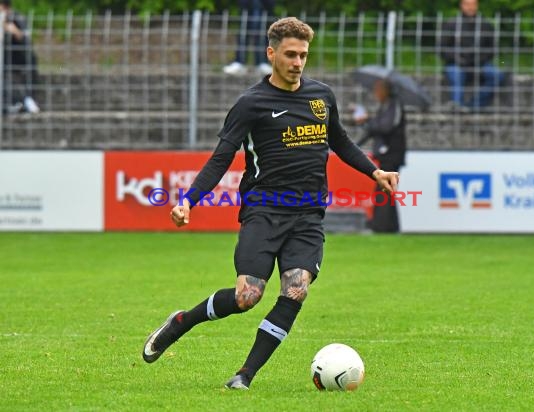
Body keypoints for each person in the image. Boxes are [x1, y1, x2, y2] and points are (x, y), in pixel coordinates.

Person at [142, 17, 399, 390]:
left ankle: (245, 375)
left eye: (303, 55)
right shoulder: (251, 103)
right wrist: (188, 201)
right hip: (264, 211)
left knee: (296, 289)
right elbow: (221, 158)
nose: (298, 62)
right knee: (248, 296)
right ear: (272, 53)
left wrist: (374, 172)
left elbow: (340, 141)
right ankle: (182, 322)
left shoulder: (321, 97)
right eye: (290, 54)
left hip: (308, 215)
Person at [353, 79, 406, 233]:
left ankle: (382, 226)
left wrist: (368, 122)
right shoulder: (387, 106)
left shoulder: (395, 105)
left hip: (391, 154)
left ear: (386, 90)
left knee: (385, 189)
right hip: (387, 154)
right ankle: (387, 226)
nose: (376, 93)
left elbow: (385, 126)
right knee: (385, 189)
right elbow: (375, 128)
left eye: (378, 89)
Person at [440, 0, 504, 109]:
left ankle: (475, 104)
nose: (470, 7)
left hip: (480, 64)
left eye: (473, 4)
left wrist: (479, 59)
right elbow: (442, 48)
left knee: (497, 75)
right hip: (457, 64)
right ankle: (457, 105)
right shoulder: (451, 24)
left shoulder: (485, 24)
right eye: (467, 4)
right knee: (455, 74)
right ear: (461, 5)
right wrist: (458, 59)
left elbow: (492, 49)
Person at [1, 0, 40, 113]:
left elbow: (23, 37)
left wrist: (11, 29)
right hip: (7, 59)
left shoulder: (17, 17)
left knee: (24, 85)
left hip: (23, 58)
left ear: (4, 7)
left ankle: (27, 102)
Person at [223, 0, 274, 76]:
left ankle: (261, 63)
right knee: (243, 31)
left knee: (260, 31)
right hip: (246, 7)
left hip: (264, 7)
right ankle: (240, 62)